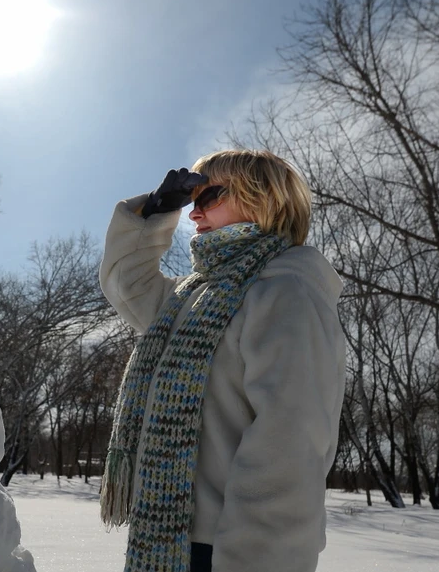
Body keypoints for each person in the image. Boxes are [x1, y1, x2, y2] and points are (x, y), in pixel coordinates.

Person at [98, 149, 345, 572]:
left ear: (264, 198)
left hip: (231, 549)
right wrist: (155, 212)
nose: (194, 214)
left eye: (209, 195)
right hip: (164, 539)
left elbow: (289, 444)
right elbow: (127, 284)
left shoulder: (286, 293)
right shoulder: (191, 297)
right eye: (190, 200)